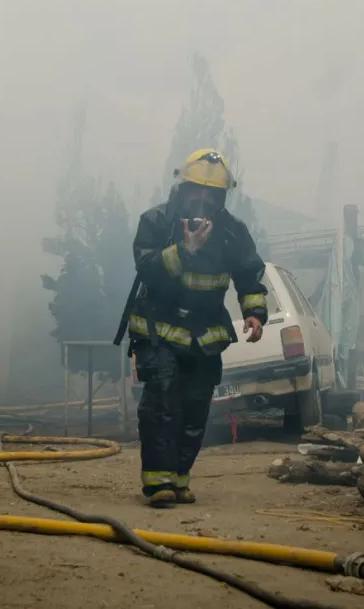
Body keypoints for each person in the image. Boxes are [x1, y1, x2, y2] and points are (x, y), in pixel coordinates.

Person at [116, 148, 268, 508]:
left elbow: (249, 275)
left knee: (196, 408)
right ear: (182, 189)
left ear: (221, 196)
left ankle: (179, 480)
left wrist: (255, 312)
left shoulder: (232, 232)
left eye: (212, 193)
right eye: (196, 190)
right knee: (162, 404)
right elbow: (147, 268)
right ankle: (157, 484)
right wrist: (185, 249)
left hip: (205, 337)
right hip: (159, 334)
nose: (203, 199)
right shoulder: (156, 222)